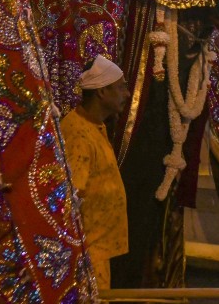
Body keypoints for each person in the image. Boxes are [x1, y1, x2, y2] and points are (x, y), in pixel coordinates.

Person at [59, 55, 130, 289]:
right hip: (87, 257)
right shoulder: (78, 134)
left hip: (98, 250)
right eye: (120, 88)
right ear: (101, 91)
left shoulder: (93, 125)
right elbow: (70, 202)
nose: (127, 95)